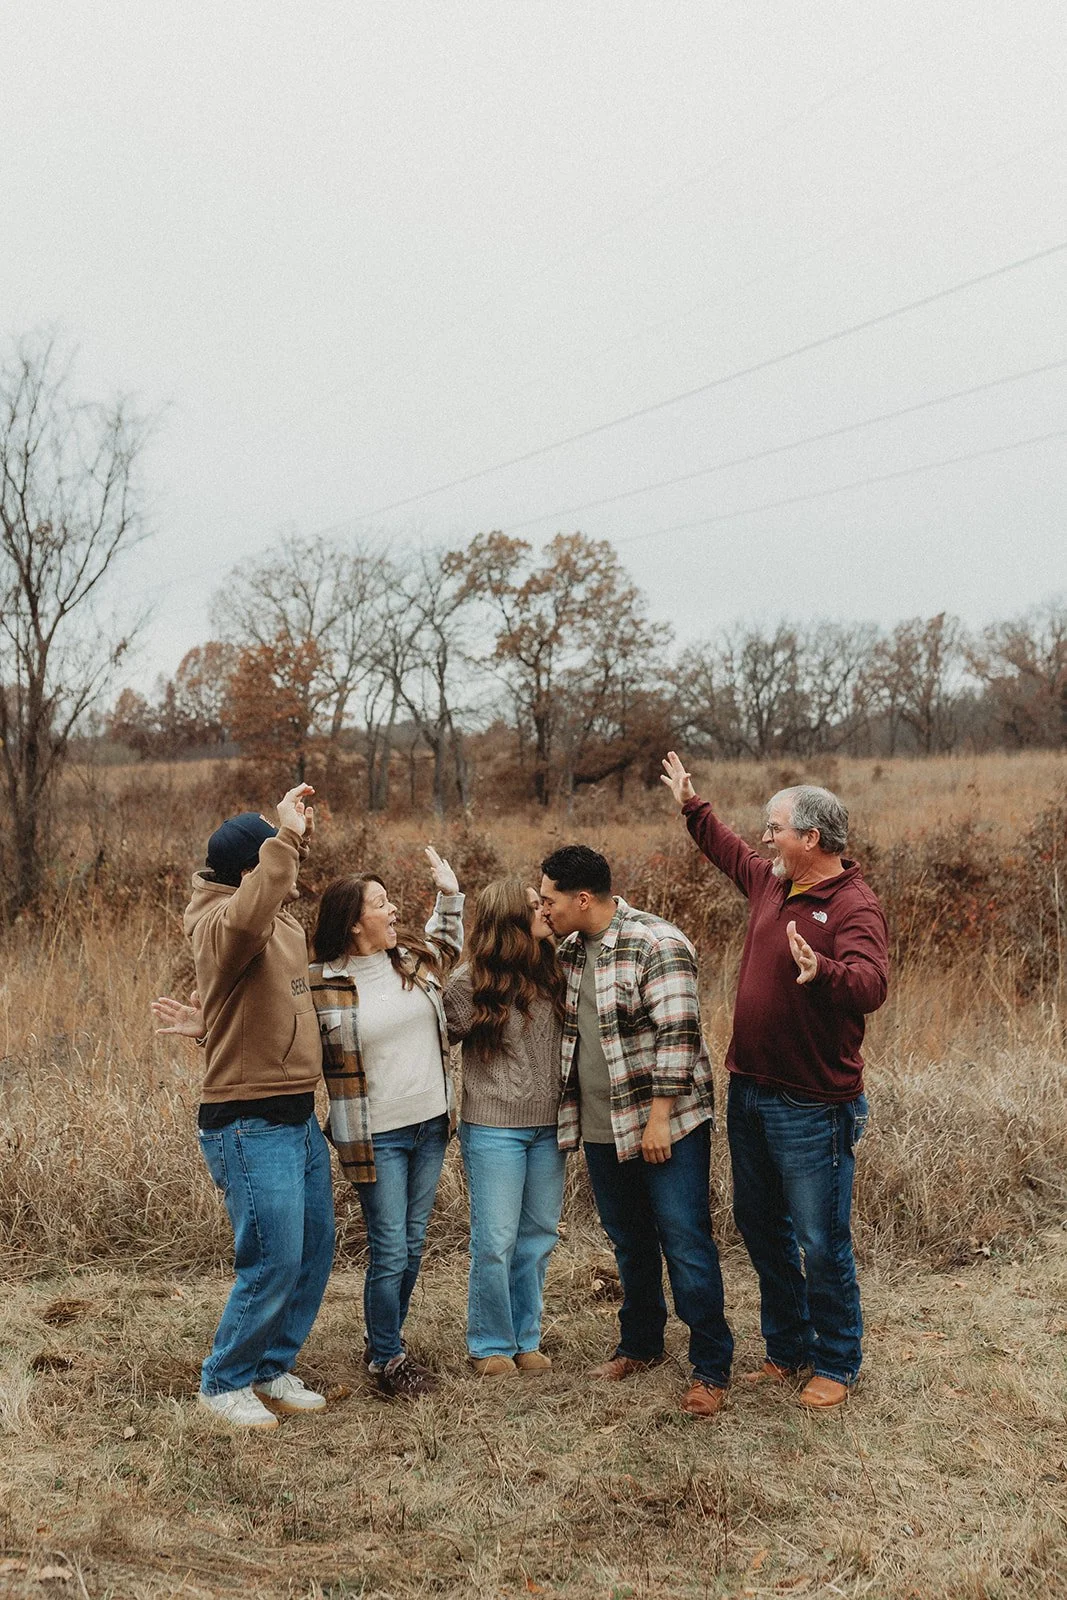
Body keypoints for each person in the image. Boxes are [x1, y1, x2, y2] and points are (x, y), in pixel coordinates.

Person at [661, 751, 888, 1409]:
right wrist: (691, 806)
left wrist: (823, 971)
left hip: (811, 1104)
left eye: (776, 828)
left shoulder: (853, 905)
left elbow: (871, 985)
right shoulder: (771, 882)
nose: (764, 838)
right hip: (750, 1090)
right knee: (761, 1228)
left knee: (820, 1241)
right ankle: (787, 1349)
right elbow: (728, 850)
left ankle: (836, 1361)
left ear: (810, 837)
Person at [153, 783, 334, 1431]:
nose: (292, 864)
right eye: (278, 856)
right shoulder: (221, 923)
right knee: (272, 1259)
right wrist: (283, 838)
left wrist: (213, 1023)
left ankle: (268, 1367)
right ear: (249, 871)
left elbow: (260, 1002)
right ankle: (224, 1380)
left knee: (312, 1252)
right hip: (247, 1121)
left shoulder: (274, 916)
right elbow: (244, 923)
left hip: (296, 1114)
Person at [538, 844, 733, 1419]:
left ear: (582, 898)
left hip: (664, 1125)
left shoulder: (657, 943)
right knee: (629, 1241)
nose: (542, 908)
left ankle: (710, 1367)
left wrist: (659, 1121)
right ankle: (641, 1345)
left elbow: (680, 1035)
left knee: (685, 1241)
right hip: (604, 1126)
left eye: (548, 899)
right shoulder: (568, 951)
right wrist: (535, 929)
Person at [309, 847, 463, 1400]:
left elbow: (447, 944)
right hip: (377, 1137)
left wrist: (450, 894)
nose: (393, 908)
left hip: (431, 1124)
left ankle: (382, 1343)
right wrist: (207, 1027)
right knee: (391, 1247)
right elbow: (275, 1028)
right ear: (354, 923)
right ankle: (388, 1358)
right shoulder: (320, 984)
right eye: (381, 903)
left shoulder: (411, 960)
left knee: (413, 1244)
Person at [442, 878, 567, 1378]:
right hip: (494, 1126)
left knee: (537, 1235)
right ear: (511, 919)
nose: (545, 911)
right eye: (535, 906)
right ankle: (490, 1343)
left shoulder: (555, 969)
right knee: (495, 1240)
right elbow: (433, 1041)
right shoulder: (468, 983)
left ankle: (525, 1338)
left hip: (550, 1127)